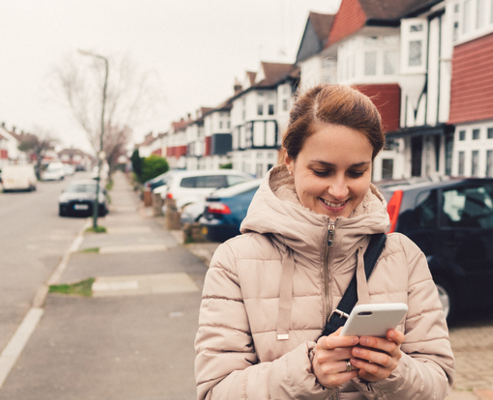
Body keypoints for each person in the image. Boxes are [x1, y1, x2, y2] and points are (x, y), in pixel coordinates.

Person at [194, 84, 454, 399]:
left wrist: (393, 373)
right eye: (322, 171)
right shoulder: (234, 262)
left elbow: (438, 382)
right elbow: (215, 392)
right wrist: (307, 373)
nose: (340, 190)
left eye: (357, 172)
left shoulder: (403, 256)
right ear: (289, 160)